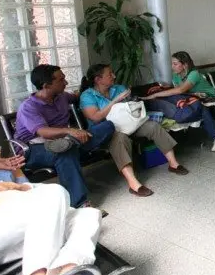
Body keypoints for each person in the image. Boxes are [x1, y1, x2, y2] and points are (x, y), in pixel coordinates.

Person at [0, 166, 103, 275]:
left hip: (6, 229)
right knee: (55, 192)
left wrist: (16, 186)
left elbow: (30, 188)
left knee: (88, 215)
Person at [80, 64, 189, 197]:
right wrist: (115, 101)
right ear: (98, 79)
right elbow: (96, 118)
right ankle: (133, 183)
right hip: (106, 132)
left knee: (153, 126)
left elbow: (132, 107)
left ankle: (173, 163)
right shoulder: (87, 96)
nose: (114, 76)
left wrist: (132, 98)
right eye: (110, 74)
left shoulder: (118, 88)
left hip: (129, 124)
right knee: (119, 138)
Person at [13, 64, 112, 210]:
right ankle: (80, 203)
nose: (65, 82)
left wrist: (86, 89)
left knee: (108, 125)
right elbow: (43, 131)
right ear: (46, 85)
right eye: (61, 80)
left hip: (65, 139)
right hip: (34, 148)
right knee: (65, 152)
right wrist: (70, 131)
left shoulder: (61, 97)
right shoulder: (29, 107)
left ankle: (71, 144)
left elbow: (77, 96)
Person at [140, 52, 215, 152]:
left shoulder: (194, 74)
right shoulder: (176, 76)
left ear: (184, 65)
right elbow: (180, 93)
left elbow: (181, 90)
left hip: (212, 98)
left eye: (175, 64)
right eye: (172, 64)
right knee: (203, 111)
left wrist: (155, 95)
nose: (172, 66)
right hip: (198, 101)